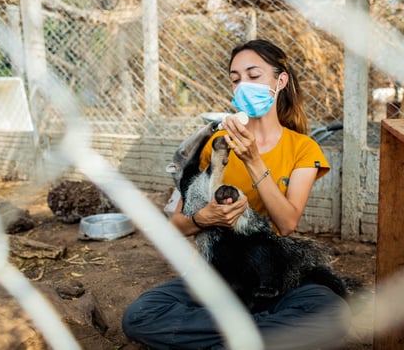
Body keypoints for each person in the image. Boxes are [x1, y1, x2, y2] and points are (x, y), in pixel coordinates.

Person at [122, 39, 351, 349]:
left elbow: (287, 224)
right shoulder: (214, 143)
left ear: (280, 81)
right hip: (220, 275)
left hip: (274, 273)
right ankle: (255, 335)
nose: (243, 86)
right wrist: (203, 218)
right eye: (235, 79)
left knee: (332, 312)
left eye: (254, 76)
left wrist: (253, 161)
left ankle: (226, 334)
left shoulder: (303, 148)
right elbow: (176, 224)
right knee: (141, 315)